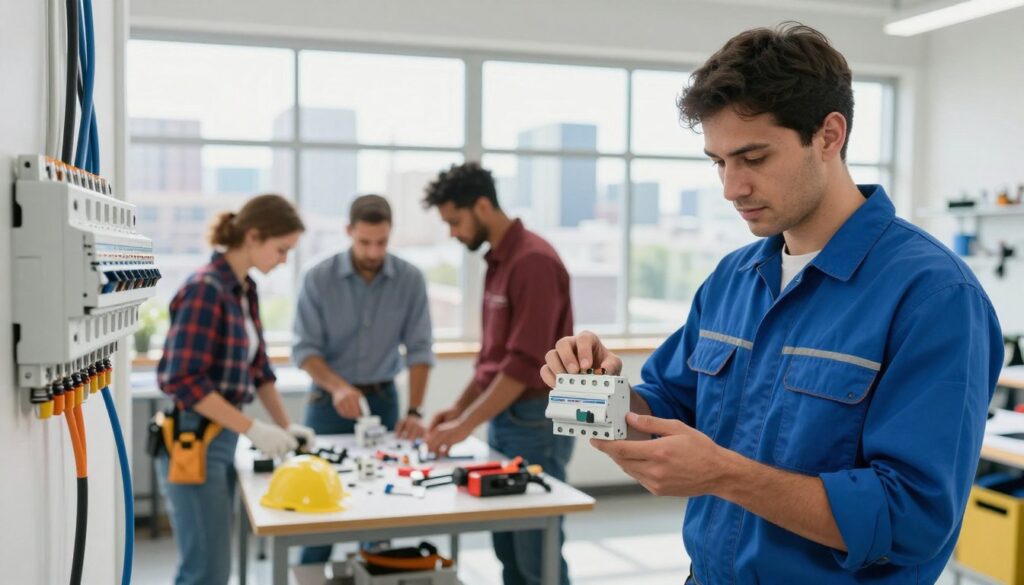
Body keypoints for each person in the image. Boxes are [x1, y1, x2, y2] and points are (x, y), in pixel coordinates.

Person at [541, 23, 1004, 585]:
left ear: (829, 135)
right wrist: (601, 390)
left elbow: (914, 519)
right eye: (718, 162)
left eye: (754, 157)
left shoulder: (935, 297)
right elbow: (663, 413)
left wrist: (725, 476)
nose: (731, 187)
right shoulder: (731, 279)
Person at [423, 162, 575, 585]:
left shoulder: (533, 262)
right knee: (507, 552)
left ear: (483, 205)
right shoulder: (499, 260)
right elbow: (493, 358)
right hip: (505, 420)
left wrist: (463, 426)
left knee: (536, 556)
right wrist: (456, 410)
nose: (453, 232)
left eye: (455, 221)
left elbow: (524, 363)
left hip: (534, 423)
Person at [157, 194, 316, 585]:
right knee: (205, 572)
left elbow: (259, 369)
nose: (283, 260)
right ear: (253, 235)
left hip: (222, 437)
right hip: (193, 440)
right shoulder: (204, 290)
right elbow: (182, 379)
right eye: (281, 249)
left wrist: (285, 425)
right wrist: (253, 428)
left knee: (215, 566)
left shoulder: (244, 290)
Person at [293, 194, 435, 565]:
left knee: (382, 509)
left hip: (384, 403)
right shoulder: (318, 278)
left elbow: (419, 351)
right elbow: (305, 350)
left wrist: (416, 410)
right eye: (364, 242)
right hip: (326, 404)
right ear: (348, 232)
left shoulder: (410, 279)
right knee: (319, 509)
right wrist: (338, 386)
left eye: (382, 242)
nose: (373, 252)